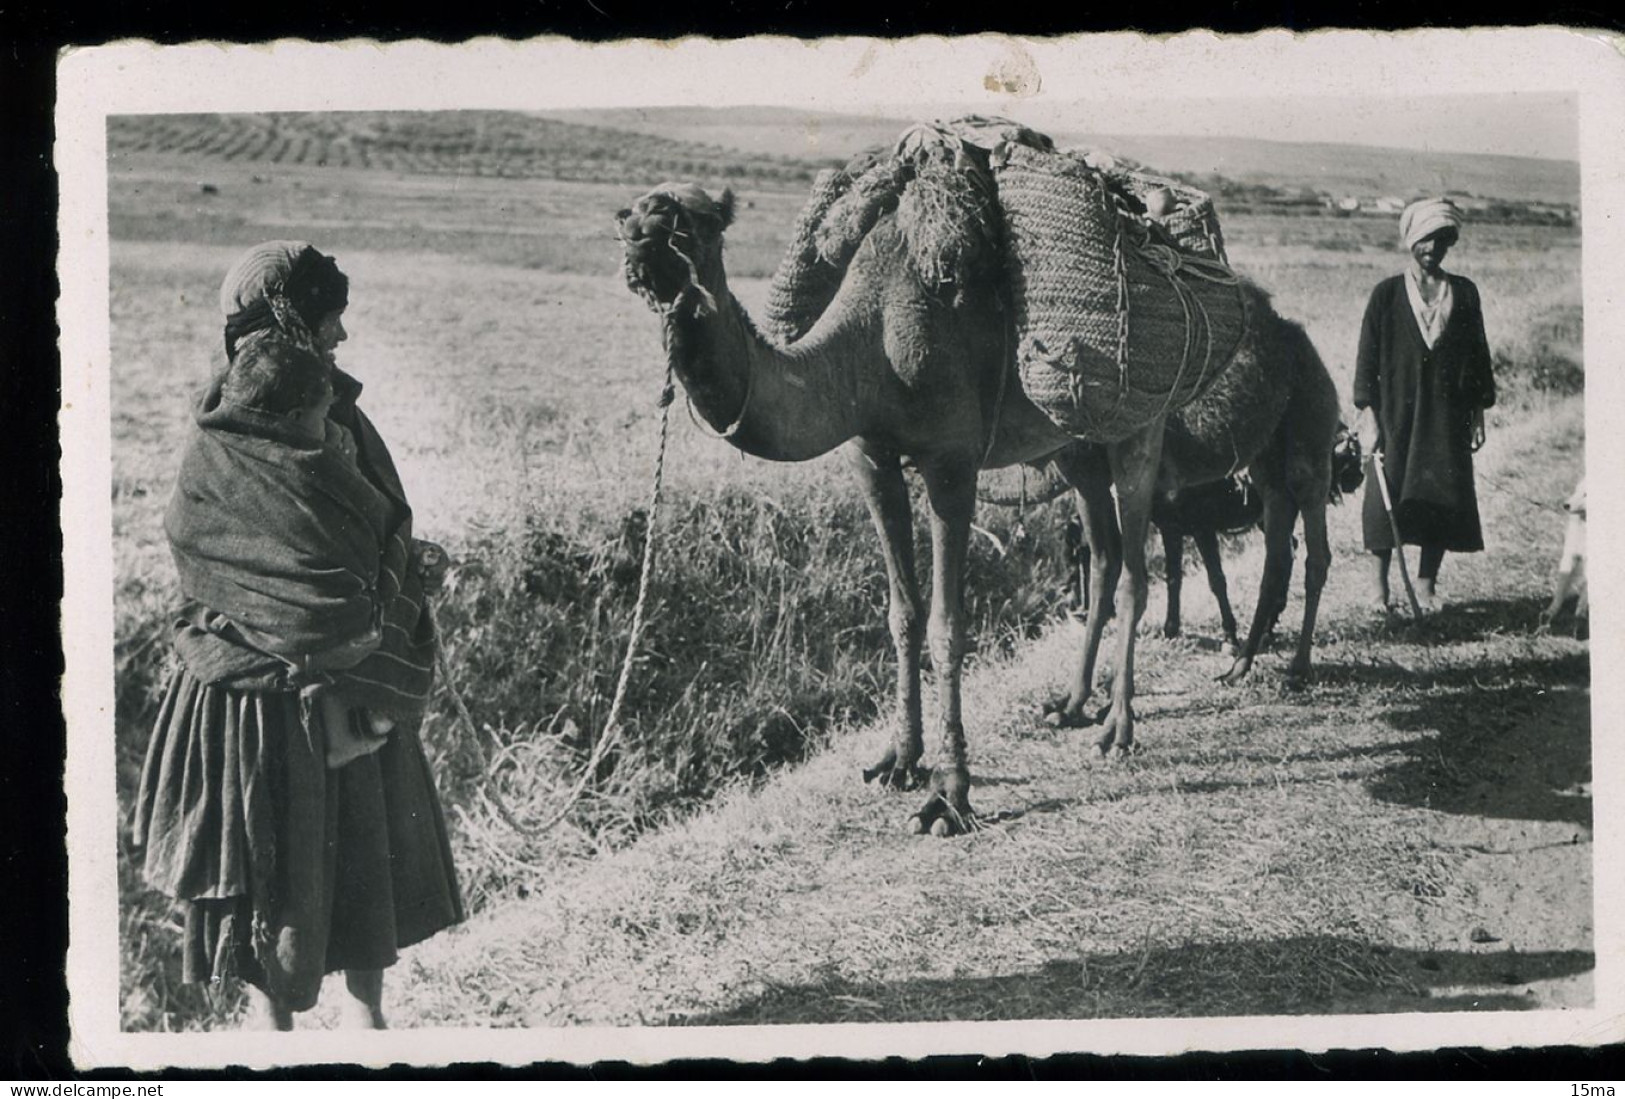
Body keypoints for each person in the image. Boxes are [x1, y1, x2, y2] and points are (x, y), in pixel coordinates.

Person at [131, 241, 463, 1030]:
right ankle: (275, 1049)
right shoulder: (229, 436)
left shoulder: (336, 417)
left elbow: (380, 524)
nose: (341, 334)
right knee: (277, 869)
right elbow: (217, 553)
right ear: (288, 319)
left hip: (351, 683)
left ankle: (365, 1033)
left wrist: (396, 575)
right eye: (329, 318)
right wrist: (327, 625)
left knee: (354, 857)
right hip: (267, 702)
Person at [1353, 197, 1496, 613]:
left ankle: (1426, 585)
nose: (1432, 249)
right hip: (1396, 414)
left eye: (1441, 241)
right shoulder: (1386, 295)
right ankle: (1379, 593)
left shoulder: (1464, 293)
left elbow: (1478, 356)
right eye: (1425, 241)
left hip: (1446, 416)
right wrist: (1368, 413)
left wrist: (1478, 412)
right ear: (1410, 241)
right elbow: (1367, 356)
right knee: (1385, 497)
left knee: (1441, 494)